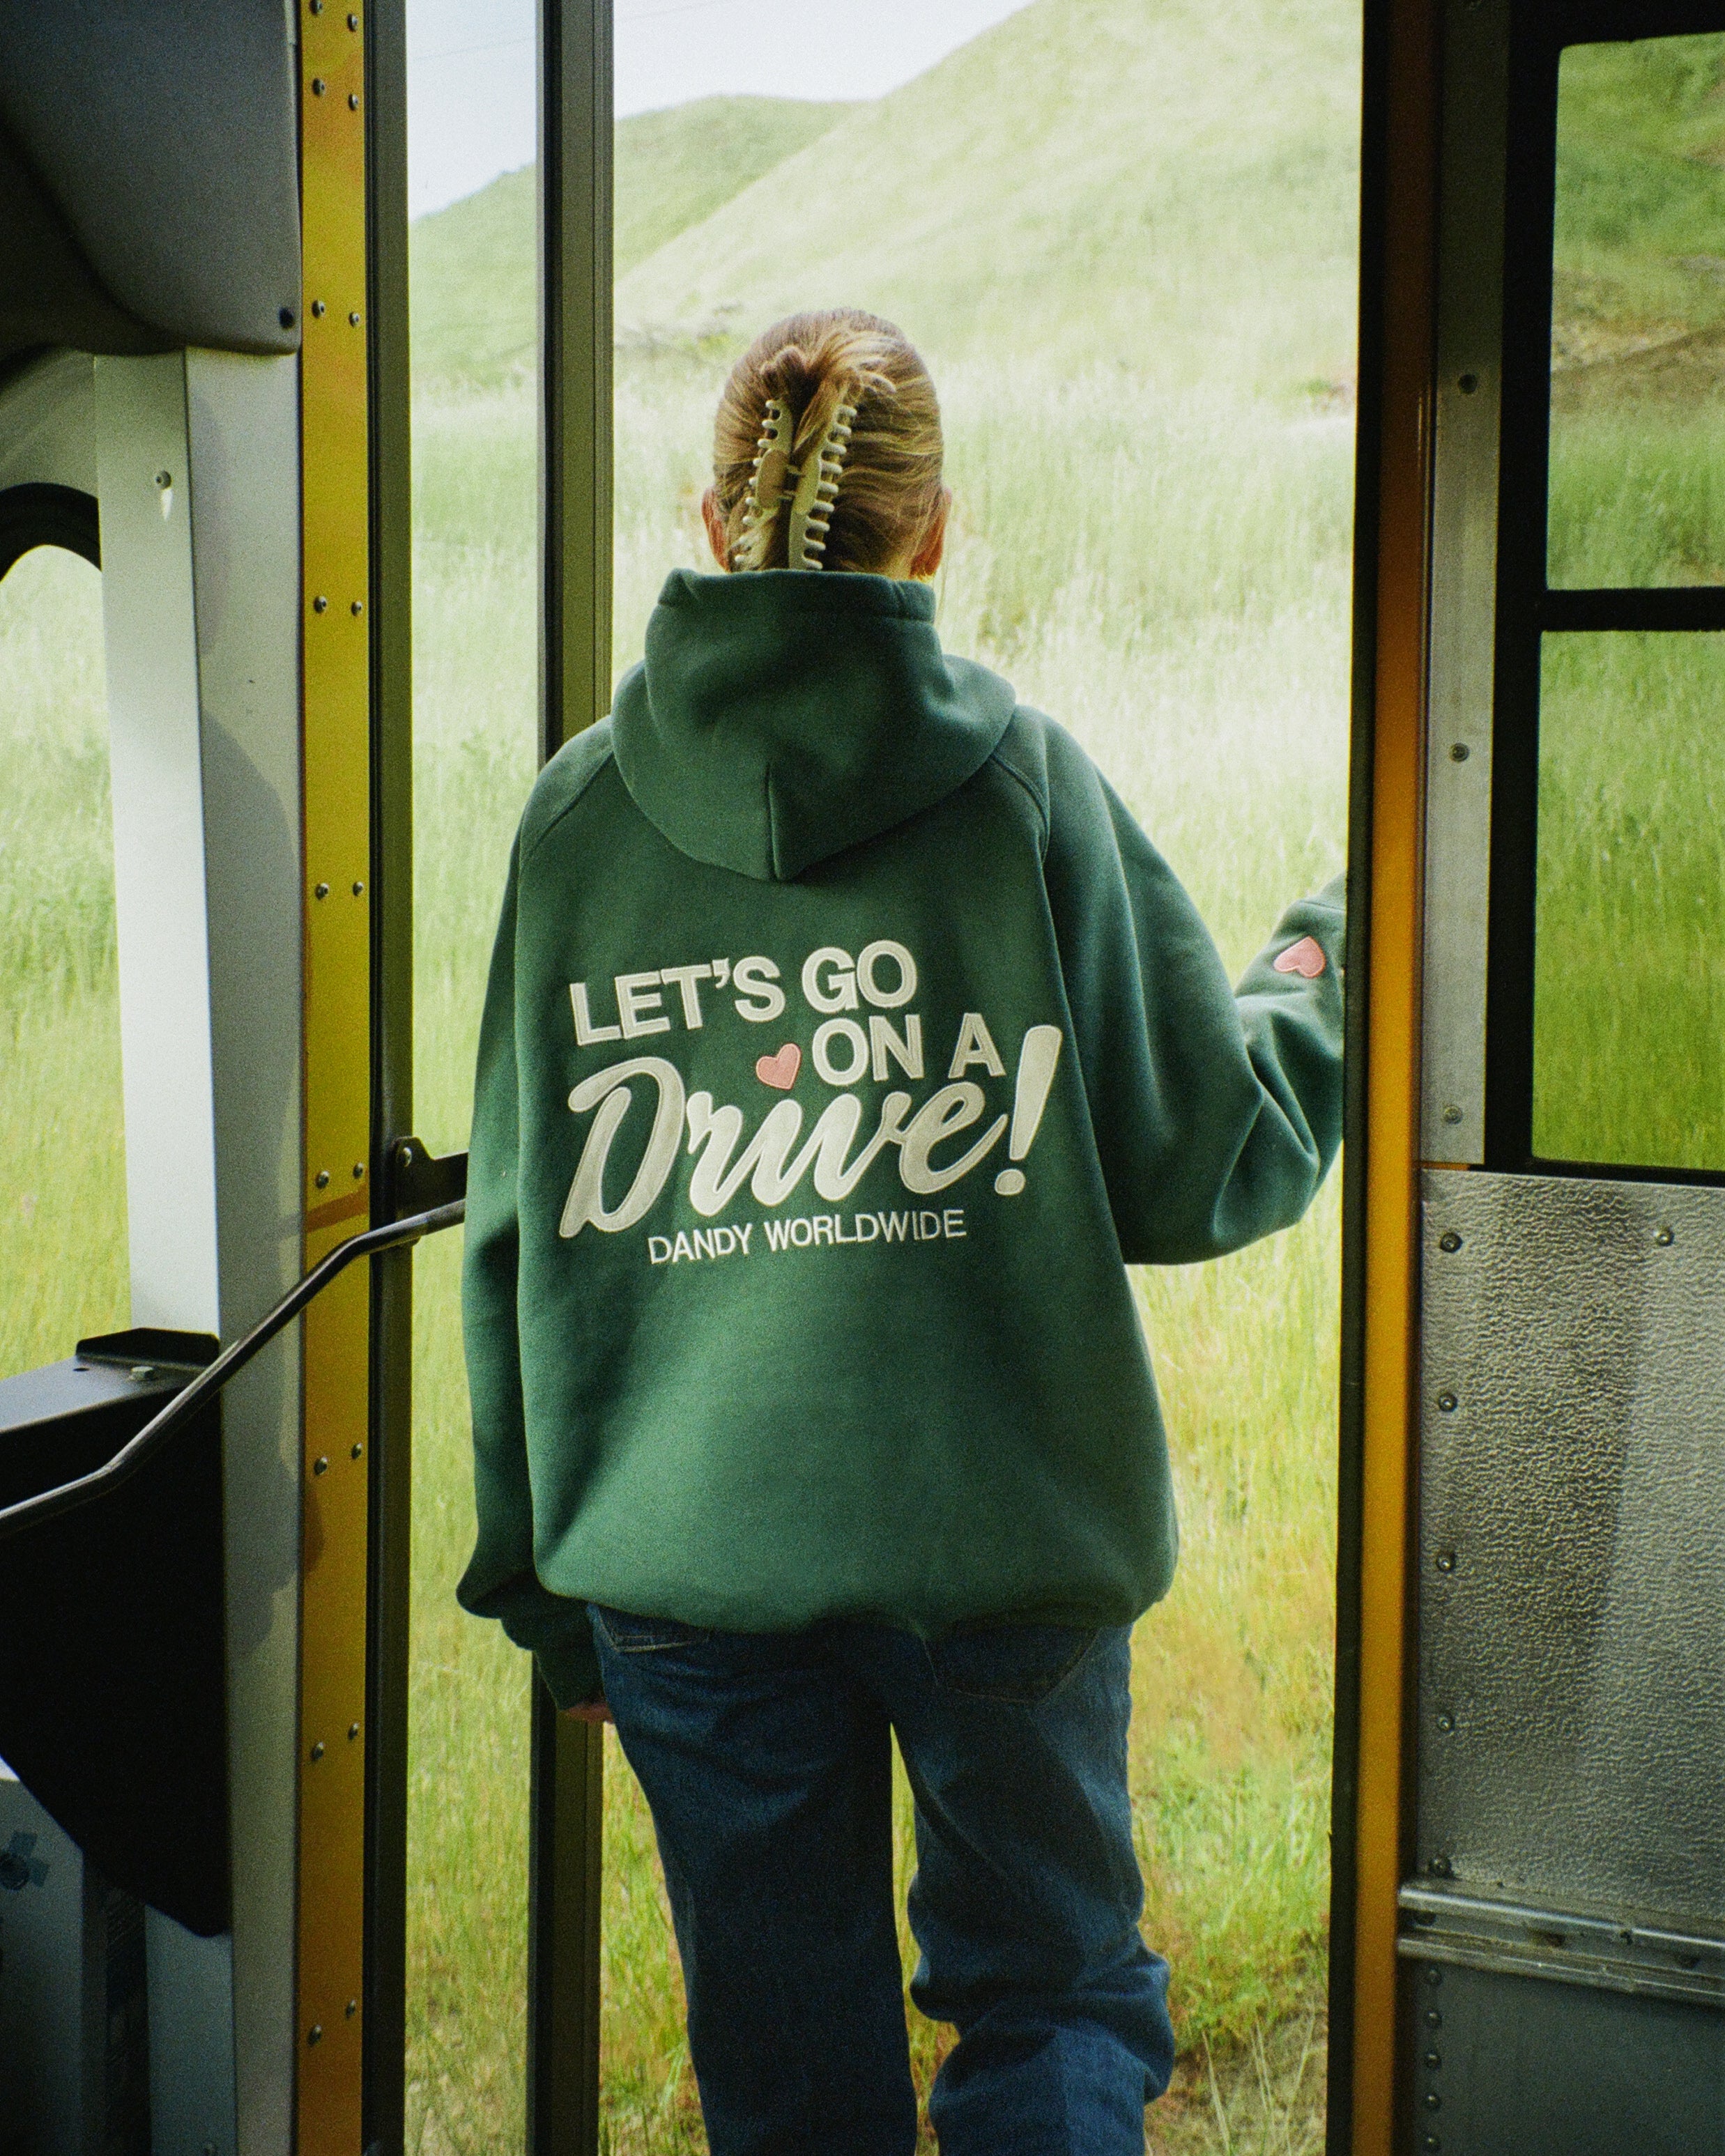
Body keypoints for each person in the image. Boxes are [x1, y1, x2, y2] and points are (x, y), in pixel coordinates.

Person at [459, 308, 1345, 2156]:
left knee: (786, 2075)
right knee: (1050, 2010)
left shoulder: (576, 818)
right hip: (996, 1544)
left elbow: (513, 1235)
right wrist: (1317, 967)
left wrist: (552, 1610)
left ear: (710, 515)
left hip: (683, 1574)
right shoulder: (1020, 785)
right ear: (931, 533)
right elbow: (1203, 1158)